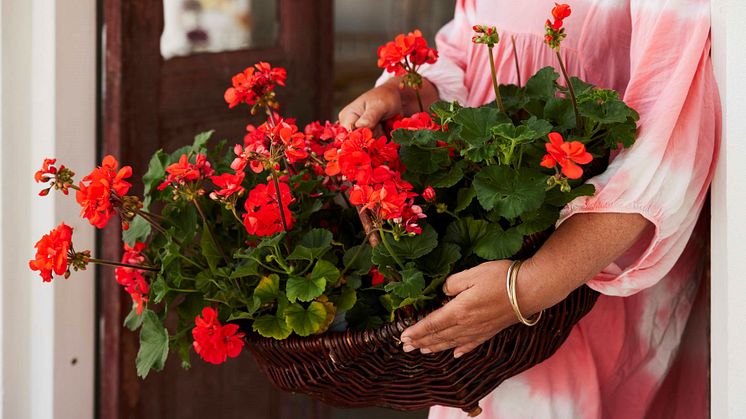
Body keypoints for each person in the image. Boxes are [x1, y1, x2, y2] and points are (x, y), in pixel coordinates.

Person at [338, 1, 720, 418]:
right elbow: (466, 58)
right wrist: (403, 93)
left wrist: (527, 287)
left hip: (584, 274)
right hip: (493, 268)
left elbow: (665, 145)